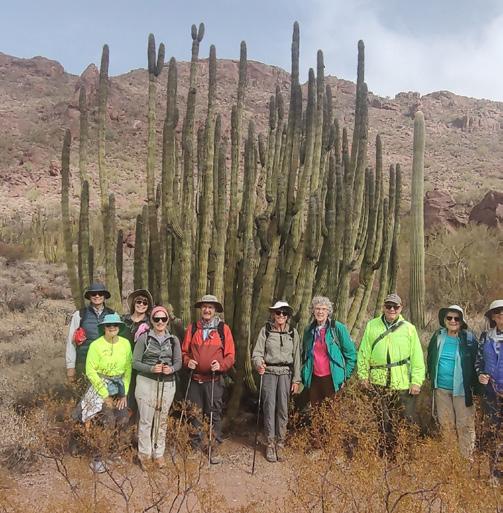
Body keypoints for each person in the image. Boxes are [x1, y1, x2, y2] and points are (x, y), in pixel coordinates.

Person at [357, 293, 425, 456]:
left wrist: (416, 381)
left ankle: (404, 455)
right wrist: (363, 375)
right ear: (384, 307)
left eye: (395, 306)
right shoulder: (372, 325)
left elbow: (417, 357)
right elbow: (364, 352)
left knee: (405, 420)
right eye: (388, 306)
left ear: (401, 308)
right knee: (382, 420)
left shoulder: (409, 329)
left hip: (402, 383)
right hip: (378, 382)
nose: (392, 309)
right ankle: (385, 455)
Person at [181, 294, 235, 464]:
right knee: (194, 414)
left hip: (214, 380)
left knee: (214, 415)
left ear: (215, 310)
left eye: (210, 307)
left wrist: (221, 365)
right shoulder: (193, 328)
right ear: (200, 309)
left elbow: (230, 356)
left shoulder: (223, 329)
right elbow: (184, 352)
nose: (207, 310)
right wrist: (188, 361)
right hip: (195, 379)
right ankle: (195, 447)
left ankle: (214, 447)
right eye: (204, 306)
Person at [77, 313, 132, 473]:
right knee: (106, 421)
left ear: (119, 327)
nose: (112, 328)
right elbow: (90, 370)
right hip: (101, 387)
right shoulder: (96, 345)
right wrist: (105, 394)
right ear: (104, 328)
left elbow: (128, 369)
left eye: (115, 325)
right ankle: (98, 457)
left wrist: (124, 393)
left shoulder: (125, 344)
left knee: (122, 419)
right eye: (109, 325)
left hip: (119, 387)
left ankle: (114, 453)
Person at [426, 305, 478, 459]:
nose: (453, 321)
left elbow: (476, 362)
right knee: (446, 425)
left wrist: (476, 388)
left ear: (462, 321)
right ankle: (452, 460)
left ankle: (466, 460)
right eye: (449, 318)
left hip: (462, 390)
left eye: (457, 318)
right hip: (441, 389)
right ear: (444, 320)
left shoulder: (469, 339)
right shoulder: (438, 336)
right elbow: (430, 357)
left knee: (465, 425)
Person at [133, 305, 182, 469]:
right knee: (146, 420)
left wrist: (171, 369)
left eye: (163, 318)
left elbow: (178, 362)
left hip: (167, 384)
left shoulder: (173, 340)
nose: (160, 322)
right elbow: (135, 362)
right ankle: (144, 455)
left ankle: (158, 453)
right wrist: (151, 368)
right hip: (146, 382)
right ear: (152, 320)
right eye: (156, 318)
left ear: (167, 320)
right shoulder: (144, 338)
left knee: (162, 420)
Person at [252, 301, 301, 463]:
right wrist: (259, 364)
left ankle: (280, 443)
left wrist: (296, 380)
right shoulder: (265, 330)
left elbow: (297, 358)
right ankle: (270, 443)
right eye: (278, 312)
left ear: (288, 316)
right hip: (269, 373)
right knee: (269, 407)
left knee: (283, 409)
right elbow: (257, 353)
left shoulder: (293, 333)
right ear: (273, 314)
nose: (281, 316)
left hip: (286, 374)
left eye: (284, 313)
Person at [301, 296, 357, 407]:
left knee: (332, 412)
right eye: (317, 308)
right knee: (316, 412)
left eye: (324, 309)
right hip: (314, 379)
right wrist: (304, 374)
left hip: (332, 379)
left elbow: (351, 354)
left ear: (328, 312)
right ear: (313, 311)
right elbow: (305, 354)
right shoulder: (309, 330)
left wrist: (344, 376)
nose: (320, 312)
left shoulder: (337, 328)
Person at [476, 299, 503, 485]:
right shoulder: (486, 337)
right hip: (491, 393)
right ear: (492, 317)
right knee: (492, 432)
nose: (501, 316)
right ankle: (494, 472)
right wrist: (480, 374)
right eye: (497, 313)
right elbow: (478, 361)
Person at [66, 282, 115, 382]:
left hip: (107, 365)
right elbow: (71, 342)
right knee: (84, 391)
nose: (97, 296)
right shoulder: (79, 315)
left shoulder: (113, 315)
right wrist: (70, 366)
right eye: (93, 294)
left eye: (100, 293)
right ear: (89, 296)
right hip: (84, 364)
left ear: (104, 296)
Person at [122, 289, 154, 418]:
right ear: (133, 303)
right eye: (138, 301)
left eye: (145, 302)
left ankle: (137, 427)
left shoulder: (151, 323)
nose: (141, 304)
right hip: (122, 365)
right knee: (123, 397)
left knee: (139, 398)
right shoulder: (123, 320)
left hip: (141, 365)